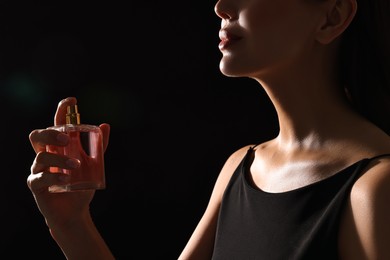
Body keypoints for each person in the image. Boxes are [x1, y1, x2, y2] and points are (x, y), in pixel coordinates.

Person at [27, 0, 390, 259]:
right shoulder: (240, 169)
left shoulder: (376, 189)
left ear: (332, 16)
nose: (221, 6)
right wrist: (71, 223)